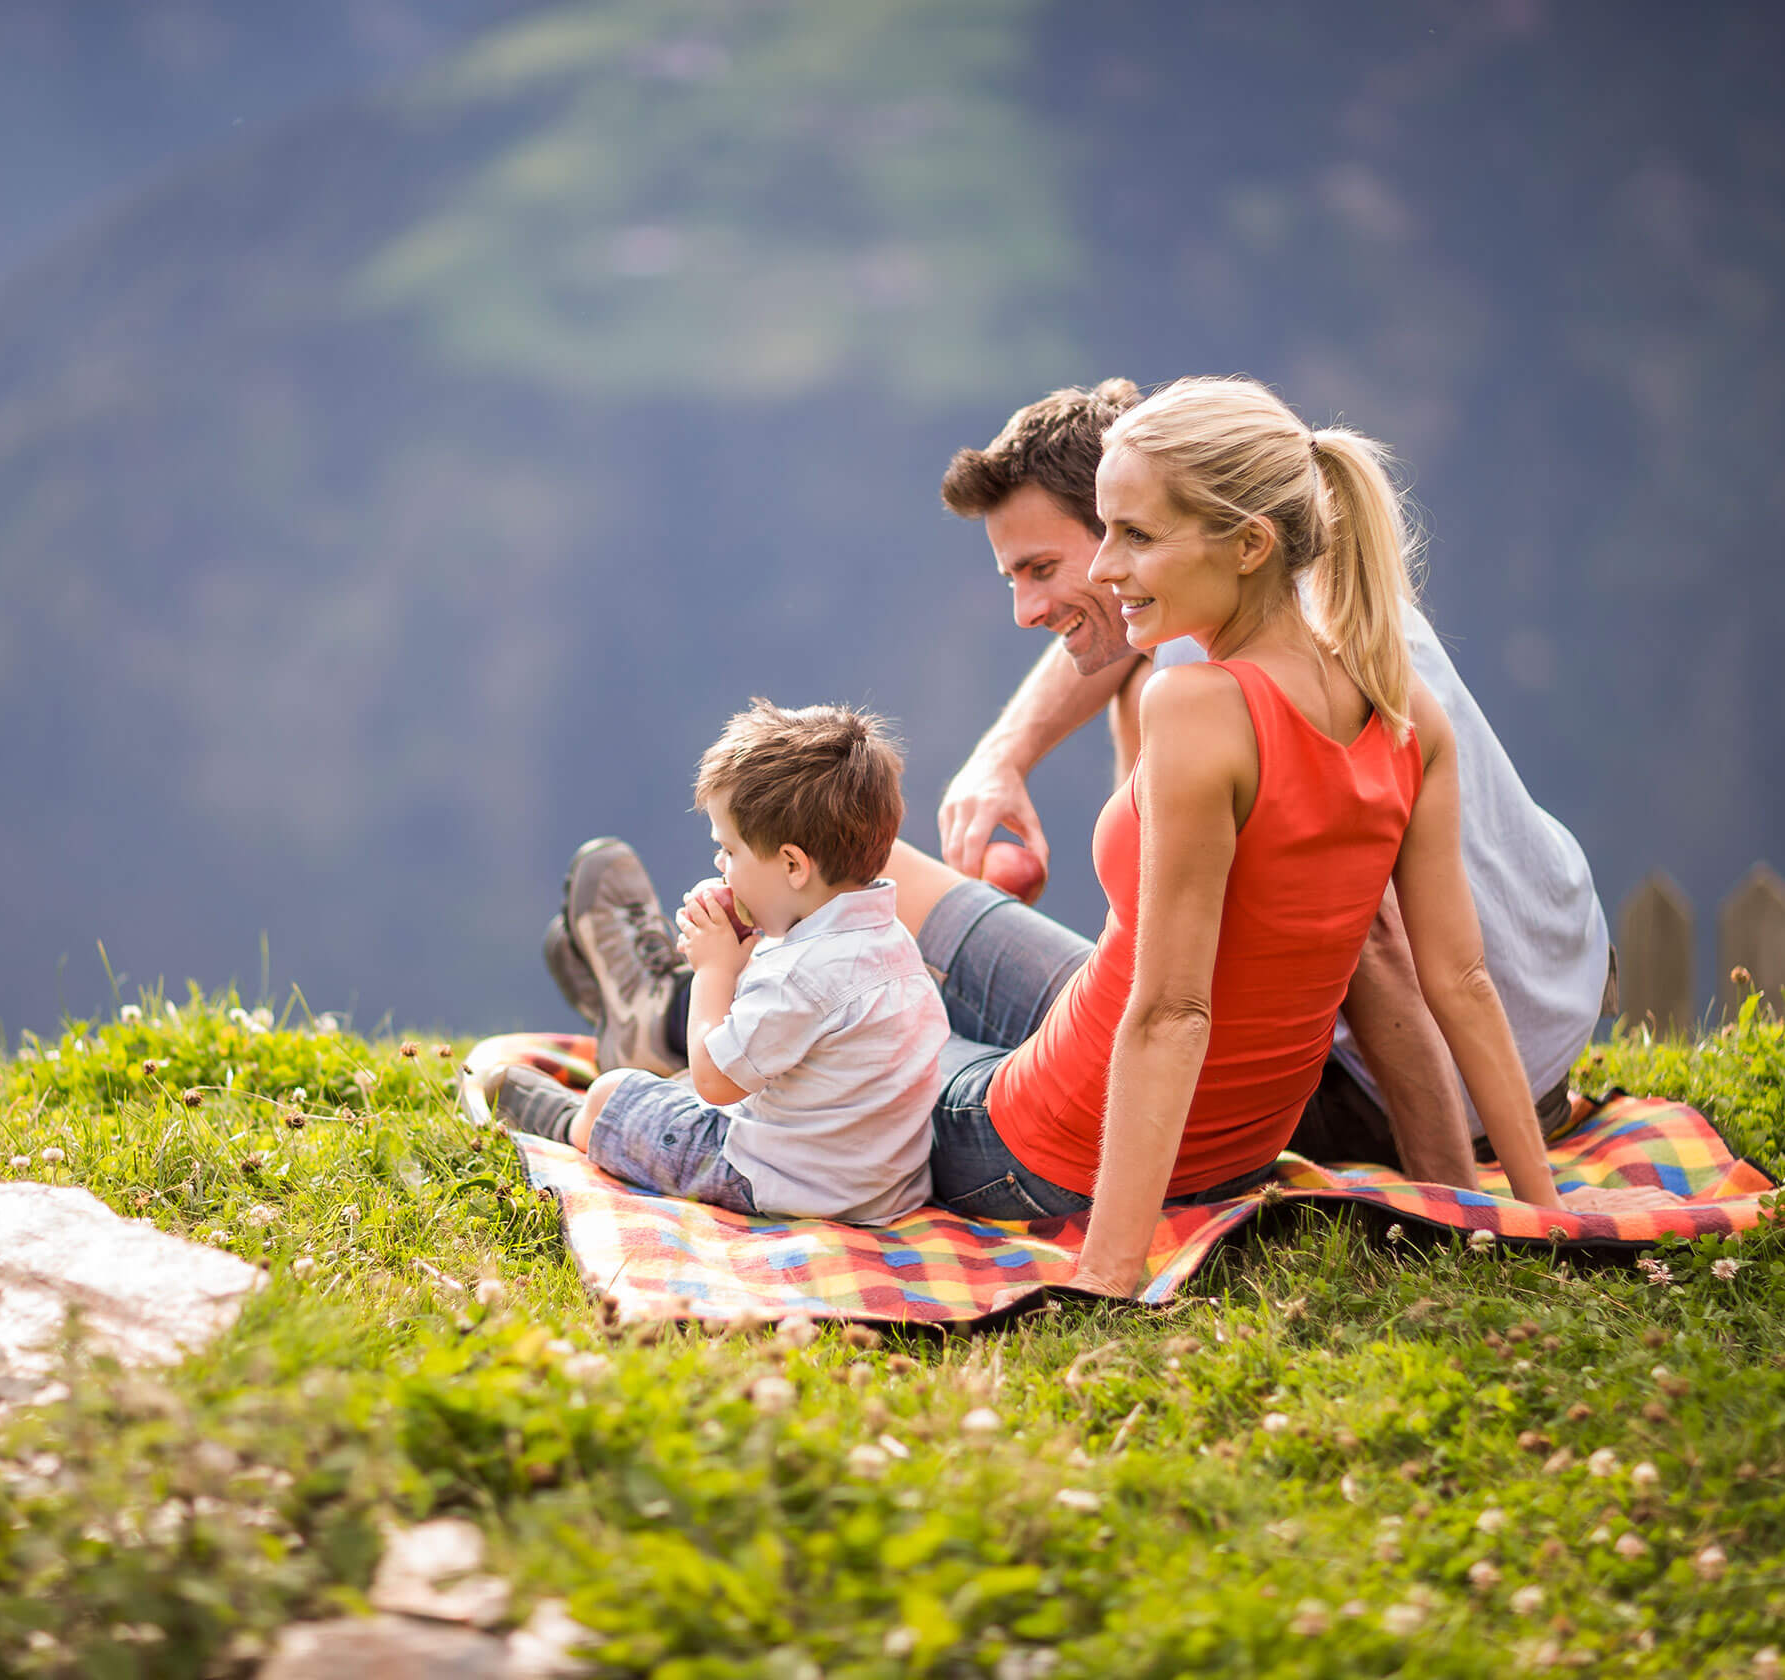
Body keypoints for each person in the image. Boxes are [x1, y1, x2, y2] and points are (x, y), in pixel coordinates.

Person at [553, 377, 1664, 1296]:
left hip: (1059, 1140)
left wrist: (1108, 1269)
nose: (1103, 570)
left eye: (1127, 538)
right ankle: (703, 995)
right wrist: (1532, 1210)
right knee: (871, 889)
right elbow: (1459, 977)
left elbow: (1180, 1010)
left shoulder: (1198, 708)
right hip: (1224, 1124)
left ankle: (672, 1023)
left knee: (853, 1040)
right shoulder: (1387, 691)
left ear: (1245, 544)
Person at [929, 381, 1615, 1185]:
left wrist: (1448, 1191)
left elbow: (1382, 949)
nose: (1026, 610)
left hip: (1428, 1092)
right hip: (1556, 997)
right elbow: (1115, 645)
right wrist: (1004, 755)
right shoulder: (1315, 590)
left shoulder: (1229, 690)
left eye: (1046, 567)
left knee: (915, 1028)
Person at [487, 699, 948, 1225]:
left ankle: (572, 1122)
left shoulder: (798, 976)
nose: (719, 864)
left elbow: (714, 1082)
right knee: (682, 1082)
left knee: (614, 1093)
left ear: (793, 865)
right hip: (884, 1189)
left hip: (782, 1182)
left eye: (729, 851)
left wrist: (714, 970)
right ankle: (636, 1029)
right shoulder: (891, 941)